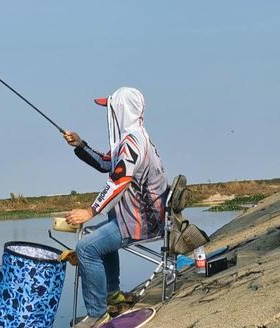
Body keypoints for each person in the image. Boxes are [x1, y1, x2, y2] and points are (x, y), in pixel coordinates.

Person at [63, 87, 168, 327]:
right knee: (95, 239)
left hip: (139, 222)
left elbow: (118, 181)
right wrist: (80, 145)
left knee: (86, 248)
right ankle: (113, 296)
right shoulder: (133, 139)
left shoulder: (132, 143)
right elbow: (105, 163)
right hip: (134, 218)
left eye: (110, 108)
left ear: (120, 110)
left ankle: (98, 314)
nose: (107, 113)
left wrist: (89, 212)